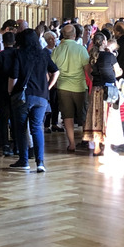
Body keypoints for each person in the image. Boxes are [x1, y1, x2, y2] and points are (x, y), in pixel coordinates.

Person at [7, 28, 58, 173]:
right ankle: (40, 162)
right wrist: (48, 87)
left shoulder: (19, 54)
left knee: (21, 129)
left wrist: (11, 91)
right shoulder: (43, 54)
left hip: (24, 96)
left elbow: (14, 77)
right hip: (41, 97)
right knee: (37, 128)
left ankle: (24, 161)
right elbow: (56, 71)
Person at [51, 23, 90, 153]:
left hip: (62, 86)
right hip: (79, 86)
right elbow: (87, 70)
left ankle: (72, 143)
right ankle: (86, 140)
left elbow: (51, 69)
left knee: (67, 116)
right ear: (74, 35)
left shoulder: (57, 50)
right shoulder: (81, 49)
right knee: (83, 115)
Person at [87, 31, 120, 156]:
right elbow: (118, 72)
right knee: (108, 117)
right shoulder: (109, 56)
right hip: (108, 90)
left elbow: (90, 73)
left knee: (96, 117)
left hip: (96, 89)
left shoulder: (92, 55)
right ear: (104, 42)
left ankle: (96, 147)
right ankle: (107, 147)